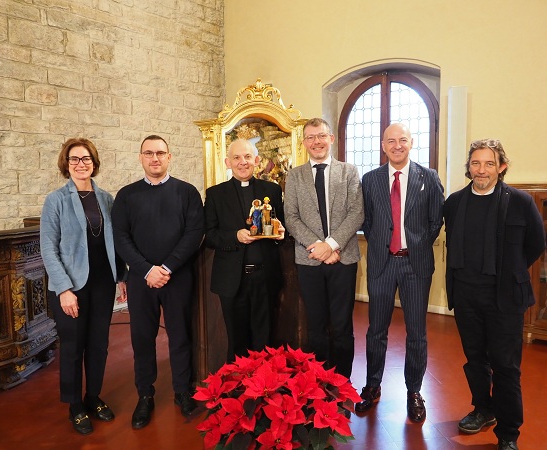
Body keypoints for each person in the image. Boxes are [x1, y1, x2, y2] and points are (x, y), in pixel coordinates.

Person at [444, 139, 545, 450]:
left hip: (505, 298)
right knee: (475, 360)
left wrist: (511, 272)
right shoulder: (454, 202)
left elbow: (536, 244)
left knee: (505, 367)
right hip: (465, 295)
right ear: (468, 167)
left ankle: (508, 433)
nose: (481, 170)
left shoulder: (520, 201)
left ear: (501, 167)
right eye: (476, 163)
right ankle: (483, 409)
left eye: (489, 163)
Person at [111, 135, 204, 427]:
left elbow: (194, 233)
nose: (155, 158)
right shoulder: (126, 195)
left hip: (178, 276)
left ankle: (182, 391)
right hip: (142, 280)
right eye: (149, 153)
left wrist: (166, 267)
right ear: (141, 157)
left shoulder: (187, 192)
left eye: (160, 153)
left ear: (169, 157)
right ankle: (145, 395)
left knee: (180, 335)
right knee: (142, 338)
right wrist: (146, 270)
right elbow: (120, 238)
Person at [357, 123, 444, 423]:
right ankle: (372, 385)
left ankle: (414, 391)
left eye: (402, 140)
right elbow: (367, 221)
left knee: (416, 332)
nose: (397, 145)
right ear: (383, 145)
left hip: (415, 265)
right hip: (382, 263)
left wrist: (416, 245)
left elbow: (436, 220)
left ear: (411, 143)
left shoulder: (428, 177)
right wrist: (384, 244)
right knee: (376, 330)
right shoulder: (370, 180)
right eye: (391, 141)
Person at [40, 137, 127, 435]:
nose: (81, 164)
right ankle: (75, 405)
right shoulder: (56, 200)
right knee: (73, 346)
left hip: (103, 282)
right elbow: (48, 248)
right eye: (75, 159)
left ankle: (93, 397)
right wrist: (63, 289)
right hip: (72, 286)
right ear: (66, 164)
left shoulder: (106, 198)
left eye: (86, 158)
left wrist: (121, 276)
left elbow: (115, 241)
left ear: (94, 162)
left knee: (99, 344)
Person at [284, 118, 364, 379]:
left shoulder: (349, 171)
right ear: (304, 142)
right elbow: (291, 217)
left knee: (342, 327)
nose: (316, 142)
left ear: (331, 138)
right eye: (310, 137)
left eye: (321, 136)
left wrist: (330, 245)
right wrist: (317, 247)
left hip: (344, 258)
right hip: (309, 260)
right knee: (315, 326)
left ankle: (342, 382)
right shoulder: (295, 176)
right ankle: (318, 382)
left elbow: (356, 213)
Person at [204, 139, 285, 362]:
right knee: (237, 339)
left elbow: (281, 226)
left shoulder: (272, 190)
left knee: (265, 339)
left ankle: (264, 380)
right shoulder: (215, 194)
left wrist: (280, 234)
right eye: (237, 158)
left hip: (265, 277)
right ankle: (239, 382)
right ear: (227, 162)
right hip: (232, 278)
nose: (243, 162)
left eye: (248, 157)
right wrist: (235, 236)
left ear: (257, 160)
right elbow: (209, 235)